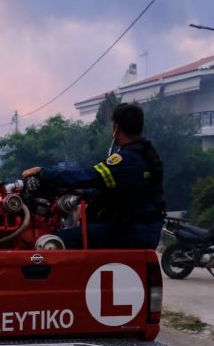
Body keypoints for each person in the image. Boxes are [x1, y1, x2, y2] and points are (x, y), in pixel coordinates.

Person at [22, 103, 165, 249]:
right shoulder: (146, 154)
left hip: (130, 232)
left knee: (52, 242)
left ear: (116, 128)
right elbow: (116, 191)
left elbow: (88, 176)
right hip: (144, 230)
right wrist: (80, 192)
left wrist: (44, 172)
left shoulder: (126, 159)